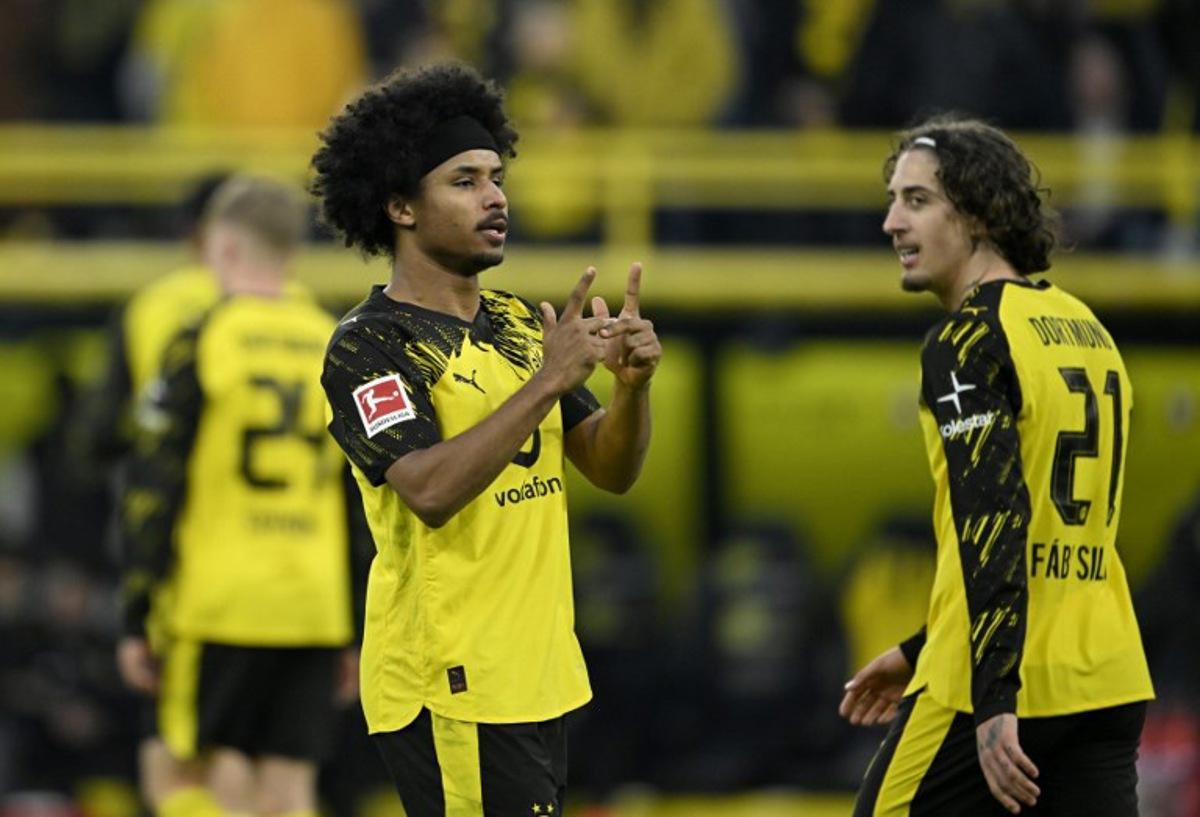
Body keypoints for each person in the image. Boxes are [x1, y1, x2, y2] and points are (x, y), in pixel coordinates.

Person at [310, 62, 661, 816]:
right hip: (450, 678)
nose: (495, 196)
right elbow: (428, 489)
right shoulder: (370, 344)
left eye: (497, 177)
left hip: (537, 671)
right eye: (464, 181)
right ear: (400, 206)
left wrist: (633, 391)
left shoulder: (517, 322)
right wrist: (548, 383)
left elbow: (609, 468)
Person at [839, 117, 1154, 816]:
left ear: (979, 214)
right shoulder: (1089, 329)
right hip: (1104, 676)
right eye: (892, 200)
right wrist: (919, 647)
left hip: (995, 683)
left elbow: (998, 524)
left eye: (917, 200)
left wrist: (992, 699)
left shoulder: (967, 340)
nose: (892, 222)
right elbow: (1053, 530)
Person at [117, 176, 360, 817]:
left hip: (218, 599)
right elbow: (361, 498)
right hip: (314, 603)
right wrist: (358, 624)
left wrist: (138, 611)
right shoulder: (337, 342)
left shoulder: (202, 339)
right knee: (287, 791)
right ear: (291, 253)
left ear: (220, 248)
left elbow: (152, 487)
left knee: (176, 775)